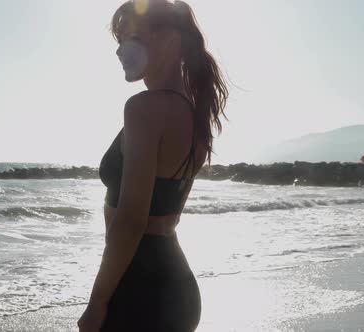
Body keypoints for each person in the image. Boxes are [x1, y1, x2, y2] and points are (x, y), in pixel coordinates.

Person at [77, 0, 228, 331]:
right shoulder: (195, 111)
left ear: (169, 38)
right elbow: (168, 210)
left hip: (140, 293)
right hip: (175, 287)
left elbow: (131, 220)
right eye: (118, 42)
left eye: (130, 39)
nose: (120, 51)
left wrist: (96, 304)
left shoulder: (144, 109)